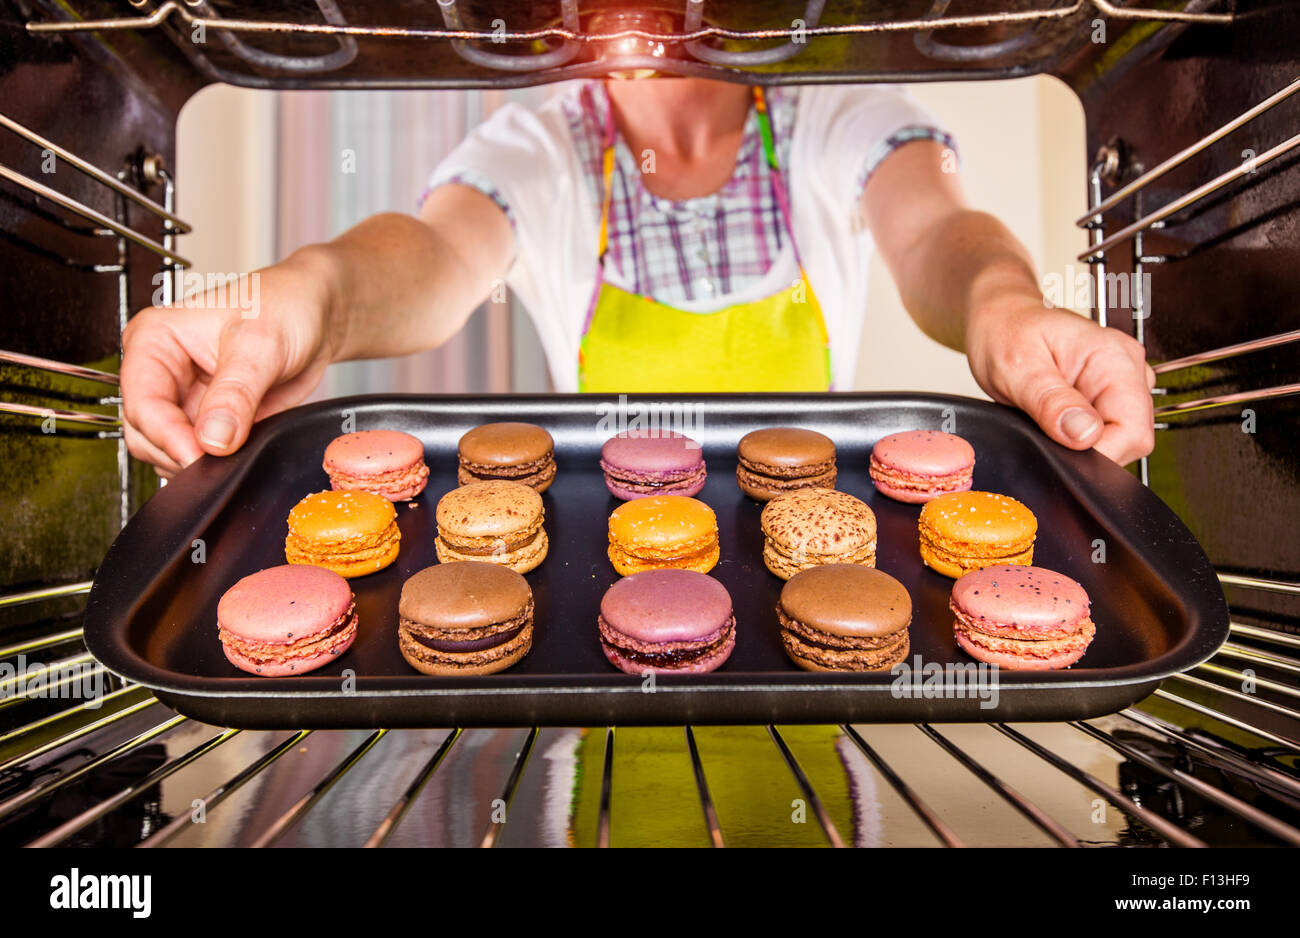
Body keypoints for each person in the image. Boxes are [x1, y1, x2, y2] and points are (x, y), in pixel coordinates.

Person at [121, 77, 1154, 475]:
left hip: (812, 543)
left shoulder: (836, 115)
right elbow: (434, 256)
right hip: (604, 548)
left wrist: (1006, 303)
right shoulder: (544, 142)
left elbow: (935, 234)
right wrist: (312, 292)